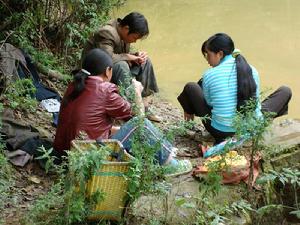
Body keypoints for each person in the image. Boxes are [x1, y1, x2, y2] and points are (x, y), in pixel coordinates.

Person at [54, 48, 191, 175]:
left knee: (125, 128)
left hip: (67, 155)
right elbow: (138, 117)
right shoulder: (104, 90)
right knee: (140, 125)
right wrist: (137, 91)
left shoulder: (74, 85)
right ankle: (170, 164)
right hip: (91, 157)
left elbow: (93, 126)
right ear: (108, 71)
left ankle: (164, 153)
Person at [178, 33, 292, 145]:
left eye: (208, 54)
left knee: (191, 87)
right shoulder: (251, 69)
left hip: (222, 133)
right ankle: (261, 127)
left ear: (220, 54)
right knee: (285, 91)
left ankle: (188, 123)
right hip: (253, 127)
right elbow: (254, 101)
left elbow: (209, 103)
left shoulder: (210, 75)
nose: (207, 59)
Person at [82, 12, 161, 122]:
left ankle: (144, 105)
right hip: (96, 73)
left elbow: (120, 54)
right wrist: (129, 56)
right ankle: (130, 108)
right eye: (135, 37)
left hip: (112, 71)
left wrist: (136, 56)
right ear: (126, 28)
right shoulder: (107, 32)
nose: (134, 41)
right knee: (122, 65)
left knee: (145, 61)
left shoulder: (122, 33)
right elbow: (106, 59)